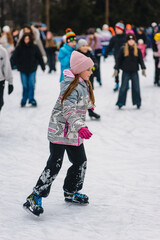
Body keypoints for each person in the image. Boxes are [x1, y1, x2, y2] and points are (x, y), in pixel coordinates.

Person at [23, 51, 95, 216]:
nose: (91, 71)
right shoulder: (71, 86)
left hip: (72, 133)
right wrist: (80, 126)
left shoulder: (82, 83)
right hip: (60, 131)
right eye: (89, 69)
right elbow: (68, 109)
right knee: (54, 164)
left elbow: (79, 102)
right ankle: (34, 196)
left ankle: (71, 191)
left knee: (80, 161)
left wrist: (88, 106)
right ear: (80, 70)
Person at [10, 33, 45, 107]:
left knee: (31, 85)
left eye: (28, 39)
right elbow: (14, 57)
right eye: (25, 39)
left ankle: (31, 99)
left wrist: (43, 66)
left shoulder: (34, 47)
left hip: (32, 69)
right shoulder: (19, 47)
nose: (27, 40)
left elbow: (39, 57)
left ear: (30, 39)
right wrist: (10, 65)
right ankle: (24, 99)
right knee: (25, 86)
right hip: (23, 69)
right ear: (23, 39)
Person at [114, 33, 146, 109]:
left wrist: (143, 68)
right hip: (126, 71)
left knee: (136, 87)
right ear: (127, 41)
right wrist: (116, 69)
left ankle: (137, 102)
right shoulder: (123, 49)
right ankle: (120, 102)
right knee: (123, 87)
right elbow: (119, 60)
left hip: (134, 71)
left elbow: (141, 60)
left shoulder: (137, 49)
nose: (131, 42)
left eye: (132, 40)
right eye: (129, 40)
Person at [76, 38, 100, 119]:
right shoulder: (77, 54)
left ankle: (90, 111)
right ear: (79, 47)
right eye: (83, 46)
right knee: (81, 95)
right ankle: (79, 113)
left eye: (86, 45)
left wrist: (95, 65)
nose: (85, 47)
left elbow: (94, 61)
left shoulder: (89, 53)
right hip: (80, 79)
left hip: (89, 78)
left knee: (89, 95)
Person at [105, 22, 126, 91]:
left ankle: (126, 83)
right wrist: (106, 53)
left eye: (118, 29)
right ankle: (117, 83)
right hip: (117, 56)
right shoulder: (114, 38)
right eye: (116, 28)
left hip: (125, 56)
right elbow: (110, 46)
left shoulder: (126, 37)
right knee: (117, 69)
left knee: (126, 70)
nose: (116, 30)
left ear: (122, 29)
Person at [0, 45, 14, 112]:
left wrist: (10, 83)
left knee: (0, 102)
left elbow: (7, 67)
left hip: (0, 80)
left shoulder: (2, 51)